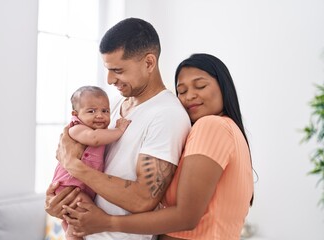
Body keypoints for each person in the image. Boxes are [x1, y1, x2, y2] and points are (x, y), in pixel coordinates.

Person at [61, 53, 255, 240]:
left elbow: (185, 217)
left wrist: (107, 222)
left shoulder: (211, 126)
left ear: (224, 87)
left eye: (200, 86)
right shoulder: (227, 131)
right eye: (182, 91)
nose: (189, 96)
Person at [45, 18, 191, 240]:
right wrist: (59, 203)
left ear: (149, 63)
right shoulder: (109, 106)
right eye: (108, 69)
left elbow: (143, 198)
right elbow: (70, 151)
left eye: (118, 70)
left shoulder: (167, 115)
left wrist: (74, 166)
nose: (110, 79)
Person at [51, 85, 131, 240]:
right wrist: (119, 131)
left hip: (79, 186)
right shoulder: (76, 129)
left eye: (105, 111)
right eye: (91, 111)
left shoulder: (98, 130)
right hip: (68, 187)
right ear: (76, 114)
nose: (100, 115)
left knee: (78, 218)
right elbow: (94, 138)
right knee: (86, 212)